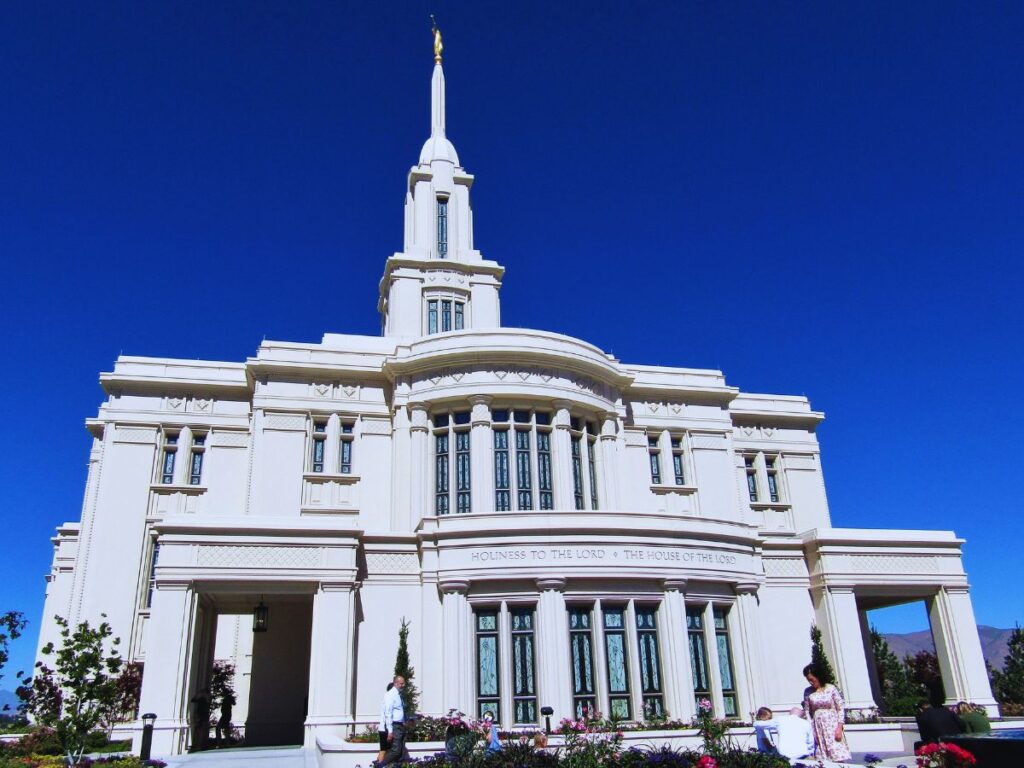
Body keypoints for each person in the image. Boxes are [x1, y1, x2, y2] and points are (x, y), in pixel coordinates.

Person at [802, 663, 851, 763]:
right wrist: (811, 729)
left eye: (812, 679)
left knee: (836, 753)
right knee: (822, 758)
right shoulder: (808, 692)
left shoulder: (831, 688)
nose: (811, 682)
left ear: (818, 676)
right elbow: (807, 711)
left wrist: (839, 727)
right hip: (818, 727)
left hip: (832, 725)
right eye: (808, 680)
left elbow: (840, 707)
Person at [379, 676, 406, 767]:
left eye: (403, 683)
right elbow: (388, 713)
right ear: (395, 683)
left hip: (400, 725)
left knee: (400, 751)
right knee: (396, 751)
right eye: (401, 683)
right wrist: (390, 731)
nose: (403, 685)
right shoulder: (390, 695)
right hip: (394, 725)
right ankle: (379, 765)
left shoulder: (399, 695)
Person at [189, 687, 211, 752]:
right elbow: (193, 700)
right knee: (199, 730)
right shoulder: (205, 699)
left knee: (199, 730)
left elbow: (193, 700)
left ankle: (198, 744)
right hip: (203, 716)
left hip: (201, 716)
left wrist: (198, 693)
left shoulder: (203, 699)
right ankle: (199, 744)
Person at [377, 682, 394, 763]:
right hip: (385, 729)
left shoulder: (387, 697)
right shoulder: (389, 699)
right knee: (383, 751)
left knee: (383, 750)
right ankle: (378, 765)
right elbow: (388, 715)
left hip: (383, 728)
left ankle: (377, 764)